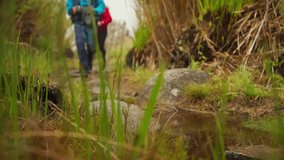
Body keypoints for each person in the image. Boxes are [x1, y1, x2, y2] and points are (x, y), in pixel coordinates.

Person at [66, 0, 105, 76]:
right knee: (80, 43)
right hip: (78, 23)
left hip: (91, 23)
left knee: (91, 46)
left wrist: (93, 10)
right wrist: (73, 10)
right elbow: (69, 9)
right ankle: (84, 68)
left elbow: (102, 6)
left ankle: (88, 65)